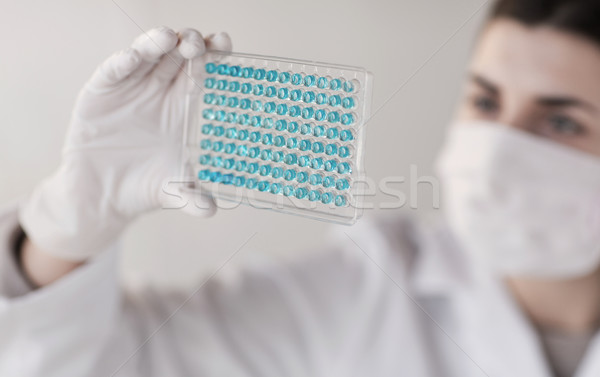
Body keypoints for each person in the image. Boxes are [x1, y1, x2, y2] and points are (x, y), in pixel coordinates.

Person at [2, 0, 600, 375]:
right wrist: (64, 229)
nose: (498, 150)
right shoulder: (366, 290)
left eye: (563, 122)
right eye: (485, 101)